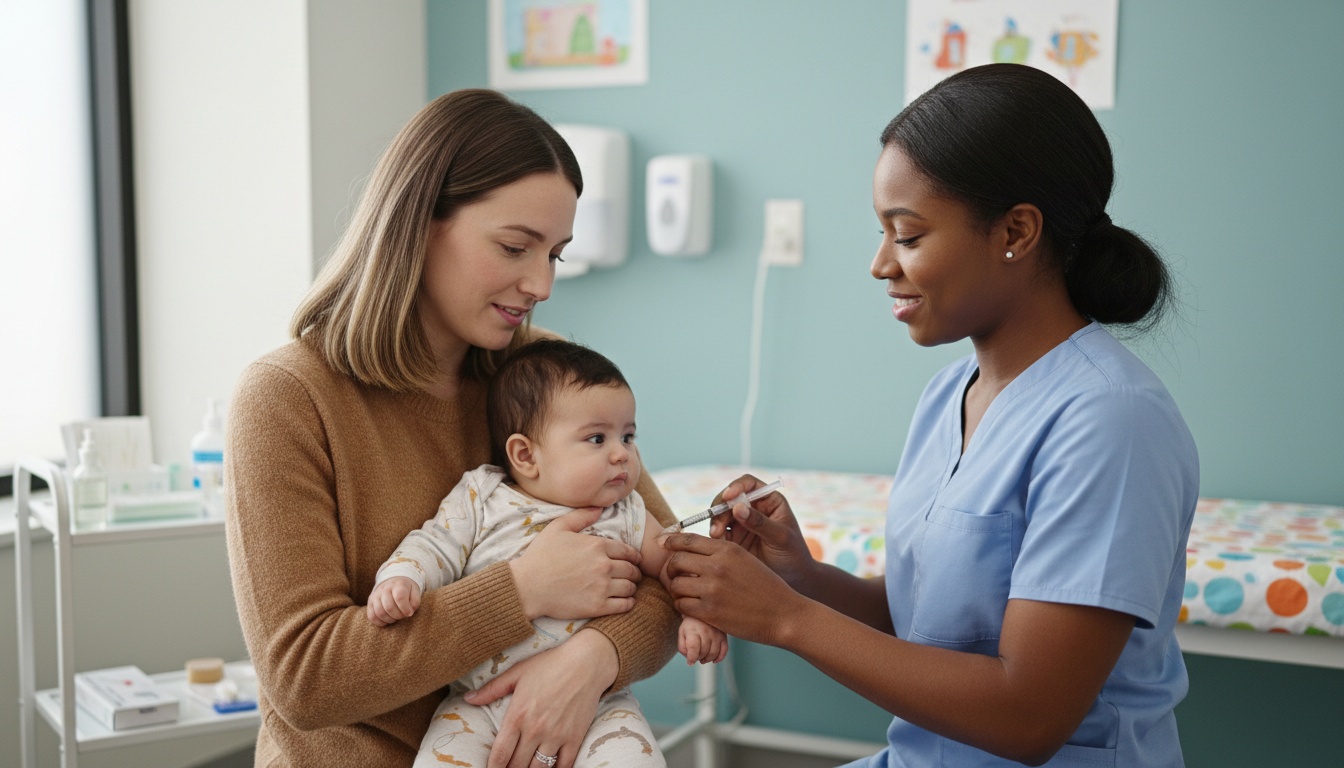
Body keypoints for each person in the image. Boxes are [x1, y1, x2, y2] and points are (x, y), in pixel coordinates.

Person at [662, 63, 1199, 768]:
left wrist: (787, 619)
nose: (881, 264)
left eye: (908, 235)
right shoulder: (951, 394)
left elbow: (1029, 716)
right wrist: (802, 577)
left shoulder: (1111, 423)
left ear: (1016, 230)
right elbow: (937, 620)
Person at [224, 89, 682, 768]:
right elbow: (306, 677)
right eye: (515, 246)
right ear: (419, 222)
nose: (541, 283)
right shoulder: (287, 401)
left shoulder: (542, 377)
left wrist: (593, 657)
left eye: (554, 254)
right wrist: (523, 590)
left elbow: (667, 579)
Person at [367, 338, 727, 767]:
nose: (622, 454)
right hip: (476, 705)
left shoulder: (626, 512)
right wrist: (403, 577)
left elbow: (675, 564)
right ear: (525, 455)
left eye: (629, 436)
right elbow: (435, 544)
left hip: (597, 705)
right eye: (597, 438)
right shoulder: (481, 497)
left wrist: (698, 615)